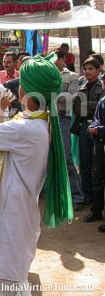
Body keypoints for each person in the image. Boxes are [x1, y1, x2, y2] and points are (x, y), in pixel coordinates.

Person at [0, 55, 73, 296]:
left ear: (28, 92)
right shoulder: (40, 124)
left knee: (3, 285)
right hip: (12, 215)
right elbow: (3, 134)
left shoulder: (25, 129)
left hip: (7, 221)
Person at [72, 57, 105, 217]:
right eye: (85, 69)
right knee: (84, 163)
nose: (87, 72)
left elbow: (98, 105)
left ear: (99, 69)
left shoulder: (101, 85)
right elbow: (75, 104)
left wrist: (84, 104)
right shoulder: (81, 84)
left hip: (98, 128)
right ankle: (87, 195)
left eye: (91, 69)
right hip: (84, 126)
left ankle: (97, 200)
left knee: (96, 165)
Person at [53, 49, 84, 210]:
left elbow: (73, 98)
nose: (54, 60)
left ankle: (77, 196)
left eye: (57, 58)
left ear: (63, 59)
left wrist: (54, 96)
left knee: (65, 157)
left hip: (61, 118)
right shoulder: (47, 74)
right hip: (45, 119)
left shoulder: (71, 77)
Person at [88, 76, 105, 233]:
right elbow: (96, 120)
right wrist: (92, 128)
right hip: (99, 145)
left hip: (101, 138)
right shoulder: (102, 101)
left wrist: (99, 130)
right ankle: (96, 210)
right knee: (98, 178)